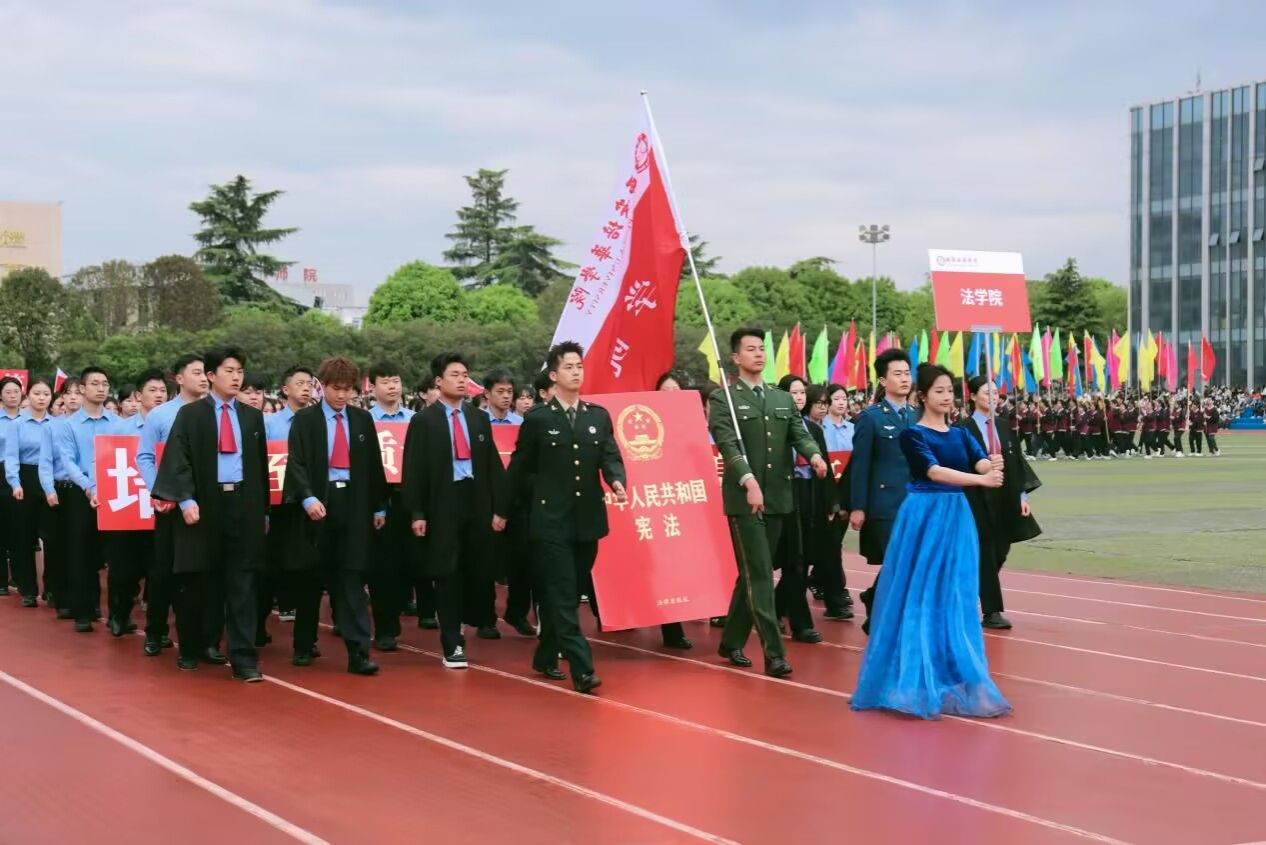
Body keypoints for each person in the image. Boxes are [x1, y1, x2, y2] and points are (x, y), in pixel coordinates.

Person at [851, 364, 1011, 720]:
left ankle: (951, 670)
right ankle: (913, 677)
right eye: (939, 391)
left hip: (957, 516)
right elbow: (933, 472)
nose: (946, 397)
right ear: (922, 396)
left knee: (956, 592)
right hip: (924, 514)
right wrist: (980, 480)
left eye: (950, 391)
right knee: (920, 591)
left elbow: (980, 462)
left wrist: (992, 465)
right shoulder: (913, 435)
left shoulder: (961, 433)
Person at [500, 341, 626, 693]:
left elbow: (610, 455)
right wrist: (503, 511)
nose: (576, 372)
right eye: (568, 367)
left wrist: (617, 480)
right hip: (551, 521)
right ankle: (582, 668)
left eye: (579, 366)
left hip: (588, 520)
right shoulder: (538, 419)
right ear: (553, 376)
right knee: (563, 591)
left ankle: (545, 655)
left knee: (569, 593)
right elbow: (519, 468)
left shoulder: (597, 416)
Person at [709, 328, 827, 678]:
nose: (759, 354)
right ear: (735, 357)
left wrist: (814, 455)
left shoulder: (780, 398)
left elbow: (799, 434)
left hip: (778, 497)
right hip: (745, 500)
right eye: (751, 349)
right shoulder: (724, 399)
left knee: (753, 571)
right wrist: (748, 481)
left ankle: (730, 641)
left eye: (762, 348)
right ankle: (774, 654)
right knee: (760, 574)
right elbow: (728, 444)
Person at [153, 346, 269, 682]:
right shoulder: (191, 415)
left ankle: (244, 658)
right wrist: (186, 500)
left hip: (243, 504)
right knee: (198, 581)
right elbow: (177, 460)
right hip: (204, 504)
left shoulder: (252, 417)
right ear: (211, 375)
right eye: (229, 371)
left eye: (240, 372)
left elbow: (260, 467)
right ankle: (191, 648)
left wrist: (262, 510)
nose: (236, 378)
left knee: (243, 583)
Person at [284, 356, 387, 676]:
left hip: (353, 503)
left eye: (348, 389)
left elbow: (374, 466)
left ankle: (358, 652)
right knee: (311, 578)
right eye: (336, 389)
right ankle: (304, 644)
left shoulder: (362, 420)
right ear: (323, 387)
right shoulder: (306, 420)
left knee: (352, 578)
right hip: (318, 502)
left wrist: (378, 506)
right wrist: (307, 498)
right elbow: (296, 463)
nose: (342, 395)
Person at [403, 353, 508, 669]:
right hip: (443, 502)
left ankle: (468, 620)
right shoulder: (424, 421)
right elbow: (414, 469)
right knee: (447, 573)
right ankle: (452, 641)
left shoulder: (478, 418)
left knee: (477, 569)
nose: (462, 380)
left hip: (476, 500)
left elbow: (492, 466)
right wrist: (417, 512)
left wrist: (499, 508)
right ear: (438, 381)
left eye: (465, 375)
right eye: (455, 375)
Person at [956, 377, 1042, 630]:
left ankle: (968, 590)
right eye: (987, 393)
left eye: (996, 392)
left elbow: (1017, 463)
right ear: (973, 396)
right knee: (985, 550)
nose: (993, 397)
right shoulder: (962, 429)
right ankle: (992, 611)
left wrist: (1022, 496)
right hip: (975, 496)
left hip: (1004, 494)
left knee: (1001, 550)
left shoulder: (1004, 426)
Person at [137, 354, 209, 657]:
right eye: (197, 373)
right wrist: (159, 492)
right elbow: (145, 457)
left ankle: (203, 638)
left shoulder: (215, 412)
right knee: (164, 571)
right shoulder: (161, 415)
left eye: (206, 373)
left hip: (205, 505)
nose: (204, 378)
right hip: (170, 507)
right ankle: (155, 631)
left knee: (201, 574)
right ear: (179, 379)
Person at [849, 348, 914, 635]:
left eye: (907, 373)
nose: (904, 379)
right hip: (884, 505)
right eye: (897, 374)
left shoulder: (917, 416)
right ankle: (883, 618)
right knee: (897, 562)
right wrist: (858, 506)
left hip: (914, 503)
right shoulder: (871, 418)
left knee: (907, 563)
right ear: (883, 381)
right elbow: (860, 466)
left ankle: (874, 599)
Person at [103, 368, 167, 637]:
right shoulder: (120, 428)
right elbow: (102, 463)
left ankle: (157, 627)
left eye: (163, 390)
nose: (159, 395)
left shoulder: (172, 425)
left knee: (159, 569)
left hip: (160, 507)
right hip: (127, 506)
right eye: (153, 390)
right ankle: (118, 615)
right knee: (123, 568)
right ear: (138, 396)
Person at [55, 367, 119, 632]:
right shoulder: (68, 425)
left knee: (115, 554)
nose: (101, 388)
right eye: (94, 383)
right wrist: (89, 487)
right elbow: (68, 461)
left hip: (114, 492)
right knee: (81, 552)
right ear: (82, 389)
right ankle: (83, 610)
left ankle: (117, 614)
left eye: (105, 383)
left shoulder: (117, 423)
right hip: (81, 494)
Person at [366, 362, 417, 651]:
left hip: (409, 496)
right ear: (372, 387)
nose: (392, 386)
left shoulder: (414, 420)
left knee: (409, 563)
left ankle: (401, 611)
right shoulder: (365, 420)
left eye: (395, 380)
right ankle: (385, 627)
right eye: (385, 382)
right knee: (383, 566)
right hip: (379, 499)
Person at [772, 375, 825, 644]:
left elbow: (824, 468)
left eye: (802, 392)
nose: (800, 397)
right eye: (793, 393)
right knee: (790, 561)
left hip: (808, 498)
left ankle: (785, 614)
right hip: (782, 497)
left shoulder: (813, 429)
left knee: (801, 562)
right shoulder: (774, 428)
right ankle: (793, 620)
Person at [483, 369, 536, 638]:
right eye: (500, 392)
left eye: (509, 392)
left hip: (517, 500)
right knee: (486, 561)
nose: (506, 397)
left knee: (522, 560)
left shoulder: (522, 424)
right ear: (487, 394)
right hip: (486, 498)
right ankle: (486, 617)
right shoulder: (478, 423)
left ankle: (517, 612)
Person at [263, 365, 314, 632]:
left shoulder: (318, 422)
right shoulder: (270, 424)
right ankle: (279, 602)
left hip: (311, 499)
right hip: (280, 500)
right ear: (285, 389)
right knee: (277, 554)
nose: (306, 388)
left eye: (309, 384)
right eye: (300, 383)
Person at [6, 378, 55, 607]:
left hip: (50, 480)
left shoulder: (56, 424)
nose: (42, 398)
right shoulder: (17, 424)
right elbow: (11, 457)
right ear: (28, 395)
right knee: (24, 536)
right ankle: (28, 589)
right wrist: (15, 483)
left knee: (52, 536)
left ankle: (52, 588)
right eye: (37, 393)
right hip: (26, 479)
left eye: (46, 394)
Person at [816, 382, 854, 621]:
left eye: (844, 399)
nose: (841, 403)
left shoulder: (853, 429)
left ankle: (819, 580)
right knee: (829, 544)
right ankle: (835, 589)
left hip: (846, 492)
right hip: (826, 492)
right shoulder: (820, 429)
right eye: (836, 399)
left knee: (834, 543)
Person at [0, 376, 23, 595]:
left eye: (16, 391)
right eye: (8, 392)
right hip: (0, 472)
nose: (12, 396)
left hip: (19, 474)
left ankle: (19, 576)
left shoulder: (27, 419)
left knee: (18, 525)